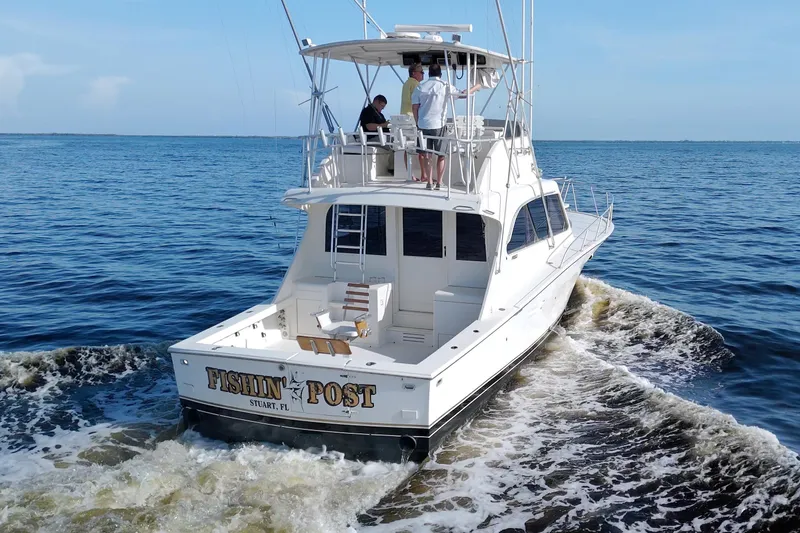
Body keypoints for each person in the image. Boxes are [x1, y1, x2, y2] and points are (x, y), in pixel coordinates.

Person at [411, 63, 481, 189]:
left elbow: (414, 107)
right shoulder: (445, 86)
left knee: (427, 155)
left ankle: (429, 182)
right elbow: (463, 94)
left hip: (423, 125)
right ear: (440, 74)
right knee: (441, 155)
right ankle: (439, 182)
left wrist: (417, 123)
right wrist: (476, 87)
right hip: (439, 125)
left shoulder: (420, 87)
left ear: (429, 73)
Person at [400, 64, 424, 180]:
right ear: (414, 73)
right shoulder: (416, 85)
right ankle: (424, 175)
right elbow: (418, 104)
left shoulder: (406, 84)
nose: (423, 74)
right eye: (421, 72)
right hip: (413, 119)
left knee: (407, 148)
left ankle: (410, 174)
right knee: (422, 147)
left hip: (403, 120)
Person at [358, 94, 393, 174]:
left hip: (382, 137)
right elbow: (369, 126)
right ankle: (392, 168)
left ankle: (393, 167)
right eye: (381, 106)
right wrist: (384, 125)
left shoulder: (379, 114)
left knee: (396, 141)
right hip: (372, 138)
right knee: (395, 143)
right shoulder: (367, 111)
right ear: (376, 102)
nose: (381, 109)